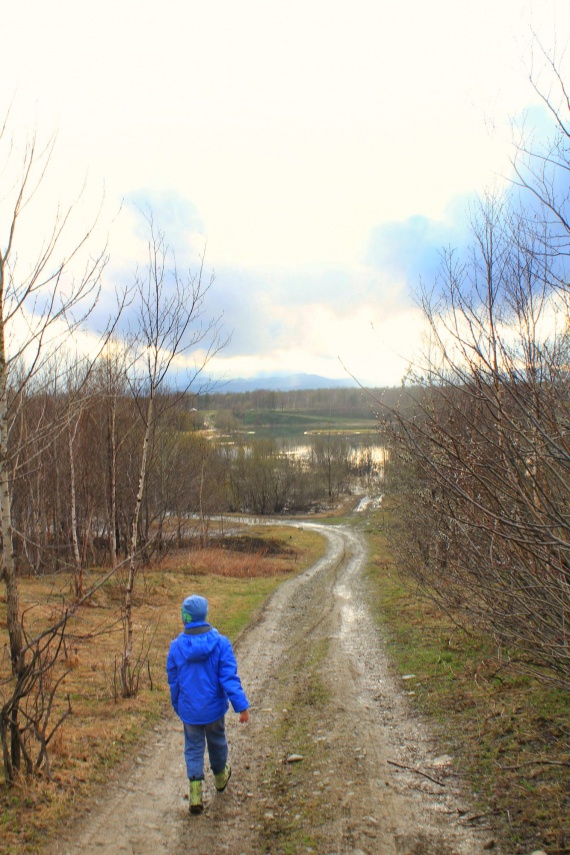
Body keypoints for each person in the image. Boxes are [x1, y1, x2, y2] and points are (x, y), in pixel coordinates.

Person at [166, 594, 250, 814]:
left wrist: (178, 705)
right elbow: (229, 677)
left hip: (190, 711)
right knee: (217, 742)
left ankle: (195, 794)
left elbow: (174, 682)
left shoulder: (176, 647)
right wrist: (241, 705)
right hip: (213, 710)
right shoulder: (221, 643)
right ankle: (221, 777)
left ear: (185, 618)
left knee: (193, 748)